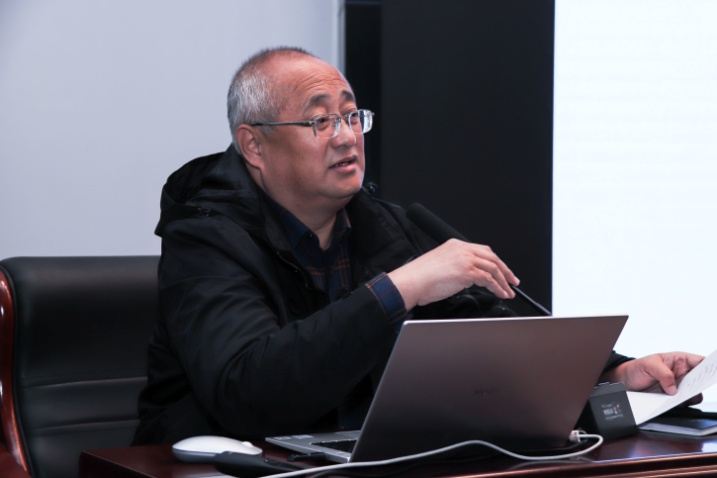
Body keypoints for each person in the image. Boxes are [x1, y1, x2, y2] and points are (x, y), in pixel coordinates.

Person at [133, 46, 703, 445]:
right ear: (253, 146)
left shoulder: (386, 226)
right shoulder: (204, 238)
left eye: (352, 115)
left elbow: (492, 342)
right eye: (320, 122)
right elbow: (250, 392)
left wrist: (613, 375)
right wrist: (399, 290)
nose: (346, 136)